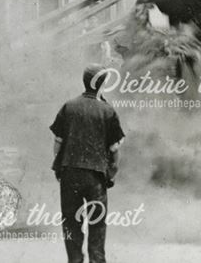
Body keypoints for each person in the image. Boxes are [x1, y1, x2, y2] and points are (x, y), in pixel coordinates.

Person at [50, 65, 125, 263]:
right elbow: (115, 151)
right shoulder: (108, 111)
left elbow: (57, 144)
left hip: (70, 174)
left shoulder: (69, 106)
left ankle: (74, 260)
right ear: (102, 84)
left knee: (71, 223)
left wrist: (60, 165)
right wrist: (112, 174)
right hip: (96, 176)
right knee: (97, 225)